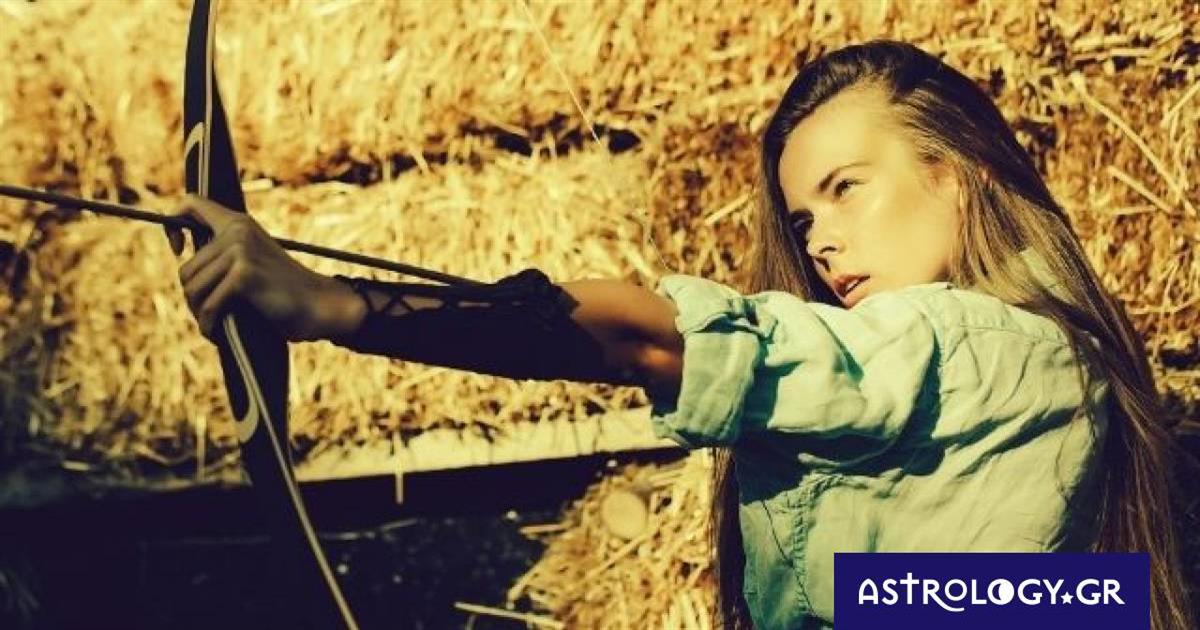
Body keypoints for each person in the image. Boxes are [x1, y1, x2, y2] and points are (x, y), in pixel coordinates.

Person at [166, 40, 1193, 630]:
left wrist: (337, 308)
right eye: (803, 217)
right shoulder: (1063, 368)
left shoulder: (960, 342)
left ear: (955, 175)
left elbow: (647, 342)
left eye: (846, 188)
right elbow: (1075, 602)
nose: (821, 241)